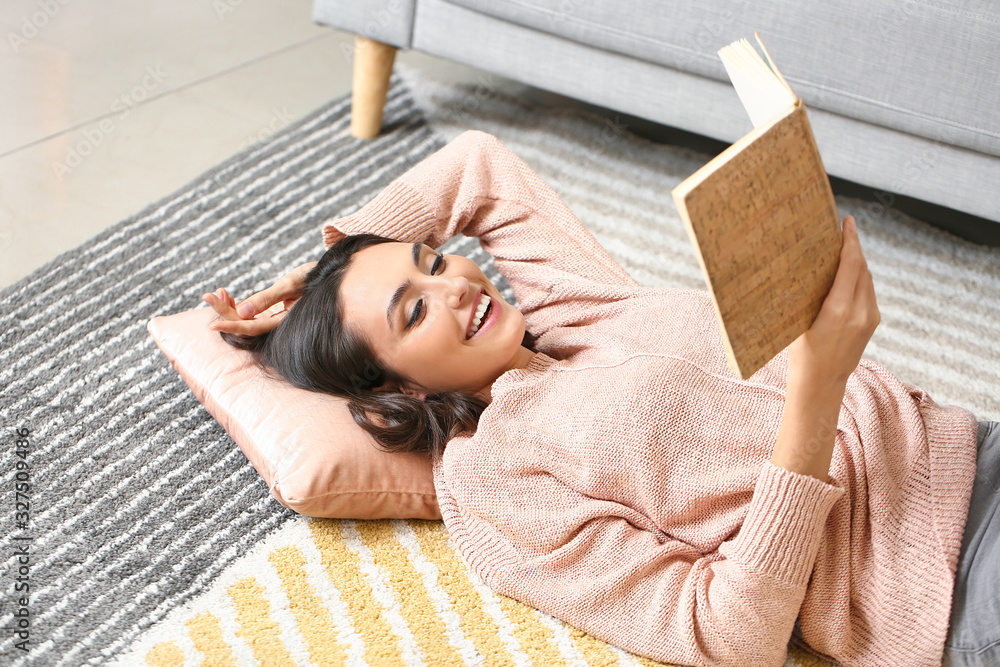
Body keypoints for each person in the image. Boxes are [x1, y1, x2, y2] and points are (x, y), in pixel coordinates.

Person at [203, 130, 996, 666]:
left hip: (971, 443)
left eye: (433, 262)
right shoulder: (492, 485)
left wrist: (331, 267)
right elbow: (728, 634)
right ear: (396, 390)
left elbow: (476, 166)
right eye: (412, 310)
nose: (455, 285)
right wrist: (817, 392)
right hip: (948, 577)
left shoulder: (569, 307)